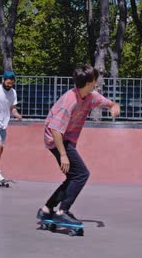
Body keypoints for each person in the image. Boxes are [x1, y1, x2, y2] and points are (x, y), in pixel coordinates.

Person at [36, 64, 120, 225]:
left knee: (73, 177)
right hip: (56, 140)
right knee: (82, 174)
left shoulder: (90, 96)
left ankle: (46, 209)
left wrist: (114, 107)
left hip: (67, 139)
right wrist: (63, 155)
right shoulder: (69, 101)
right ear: (89, 82)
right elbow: (55, 129)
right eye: (95, 80)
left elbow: (111, 104)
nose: (97, 83)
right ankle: (62, 211)